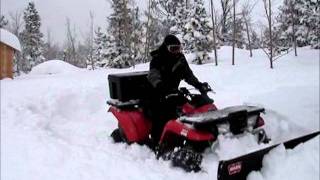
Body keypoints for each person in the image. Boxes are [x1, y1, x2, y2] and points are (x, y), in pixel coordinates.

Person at [144, 34, 210, 144]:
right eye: (173, 48)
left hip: (173, 92)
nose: (176, 51)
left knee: (190, 108)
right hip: (156, 92)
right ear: (166, 47)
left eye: (178, 48)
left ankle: (196, 135)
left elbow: (188, 75)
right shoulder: (157, 59)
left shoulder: (180, 58)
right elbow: (153, 77)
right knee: (161, 114)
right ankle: (157, 141)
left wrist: (199, 85)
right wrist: (162, 87)